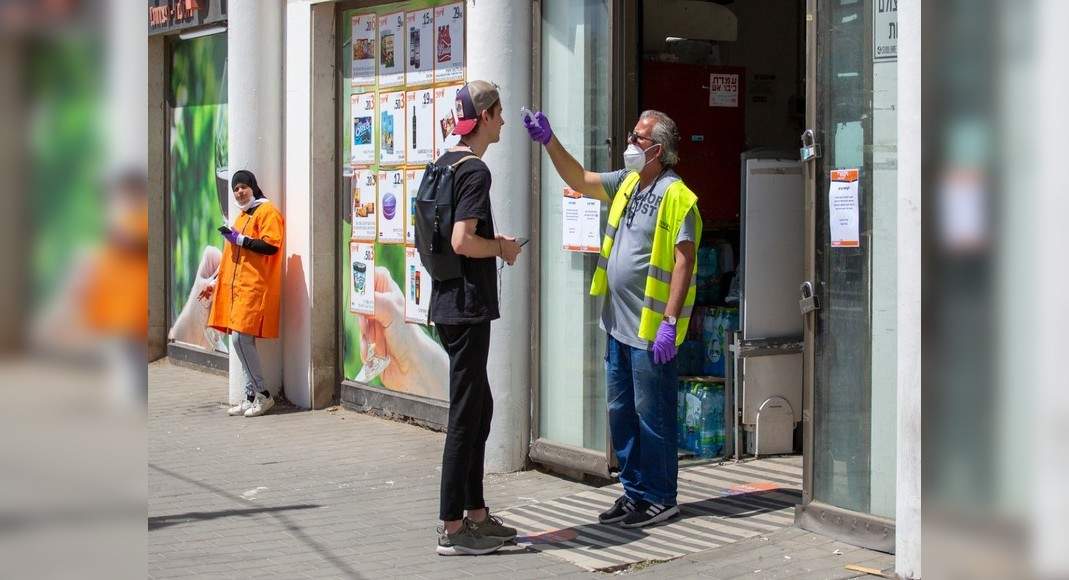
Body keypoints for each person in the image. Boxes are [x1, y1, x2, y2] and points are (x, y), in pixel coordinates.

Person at [524, 109, 701, 528]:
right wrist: (550, 140)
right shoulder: (626, 184)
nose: (630, 143)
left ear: (658, 149)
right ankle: (635, 492)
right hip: (617, 325)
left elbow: (683, 261)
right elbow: (579, 180)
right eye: (632, 134)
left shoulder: (678, 196)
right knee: (621, 411)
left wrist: (670, 322)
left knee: (652, 415)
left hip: (650, 330)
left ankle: (661, 497)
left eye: (638, 138)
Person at [432, 80, 523, 556]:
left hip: (448, 303)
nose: (504, 120)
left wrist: (490, 243)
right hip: (467, 308)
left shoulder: (443, 164)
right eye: (500, 112)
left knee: (480, 408)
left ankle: (477, 515)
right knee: (466, 417)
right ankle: (452, 528)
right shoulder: (474, 172)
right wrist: (503, 249)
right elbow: (462, 241)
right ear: (484, 116)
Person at [200, 170, 285, 418]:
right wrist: (214, 282)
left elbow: (271, 245)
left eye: (243, 187)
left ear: (253, 187)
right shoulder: (242, 216)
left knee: (240, 340)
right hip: (238, 289)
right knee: (240, 340)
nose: (239, 191)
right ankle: (250, 397)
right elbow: (231, 254)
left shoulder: (267, 212)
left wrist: (242, 240)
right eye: (236, 188)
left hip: (255, 287)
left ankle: (263, 395)